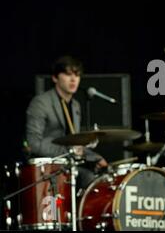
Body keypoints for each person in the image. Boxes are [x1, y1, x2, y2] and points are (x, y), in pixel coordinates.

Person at [26, 55, 108, 189]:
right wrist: (68, 150)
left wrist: (95, 157)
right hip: (48, 169)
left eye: (77, 74)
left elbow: (75, 144)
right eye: (68, 74)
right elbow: (33, 144)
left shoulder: (75, 105)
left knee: (100, 178)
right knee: (87, 177)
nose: (73, 79)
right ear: (55, 78)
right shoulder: (41, 103)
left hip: (70, 166)